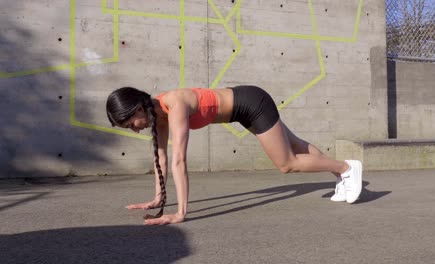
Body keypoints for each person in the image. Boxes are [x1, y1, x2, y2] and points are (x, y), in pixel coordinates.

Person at [106, 85, 362, 225]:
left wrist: (181, 213)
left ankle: (347, 168)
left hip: (252, 103)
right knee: (296, 146)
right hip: (242, 111)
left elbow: (178, 159)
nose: (135, 129)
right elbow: (160, 157)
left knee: (287, 163)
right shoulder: (158, 113)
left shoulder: (174, 104)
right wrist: (157, 198)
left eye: (131, 123)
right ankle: (341, 177)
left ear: (138, 107)